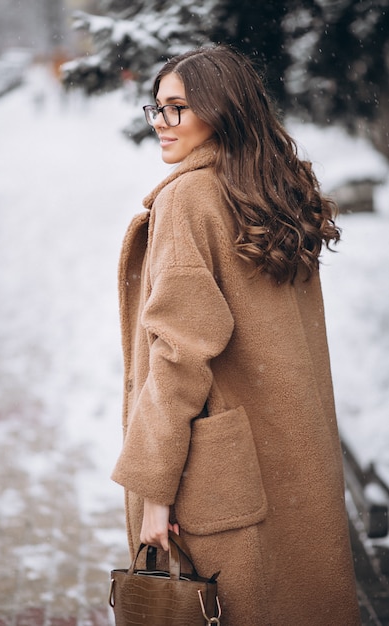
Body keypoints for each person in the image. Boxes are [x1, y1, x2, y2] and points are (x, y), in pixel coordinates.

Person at [112, 45, 360, 625]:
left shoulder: (189, 199)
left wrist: (155, 491)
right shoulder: (274, 189)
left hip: (218, 478)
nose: (160, 123)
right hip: (290, 456)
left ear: (220, 110)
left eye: (177, 108)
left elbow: (178, 357)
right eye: (157, 107)